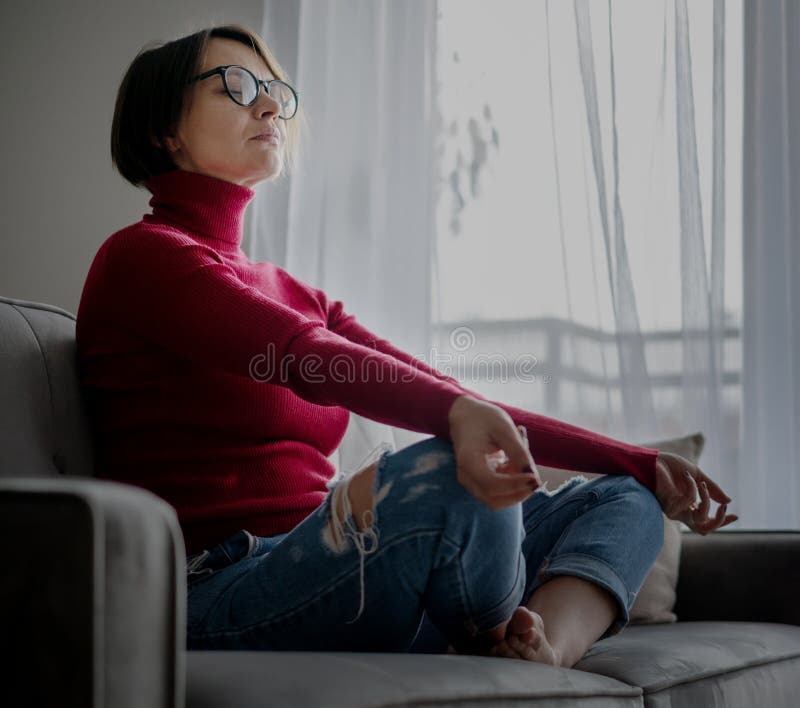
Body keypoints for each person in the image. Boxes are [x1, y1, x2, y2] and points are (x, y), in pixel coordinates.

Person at [76, 23, 737, 666]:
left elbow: (451, 395)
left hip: (344, 563)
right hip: (220, 587)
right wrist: (459, 419)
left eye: (277, 88)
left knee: (625, 498)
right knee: (453, 475)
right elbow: (305, 354)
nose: (273, 103)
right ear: (165, 128)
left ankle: (541, 649)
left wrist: (637, 461)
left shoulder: (291, 288)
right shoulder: (144, 258)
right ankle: (479, 621)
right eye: (239, 86)